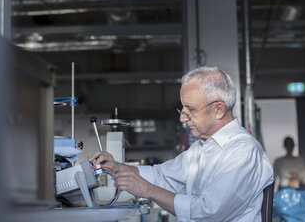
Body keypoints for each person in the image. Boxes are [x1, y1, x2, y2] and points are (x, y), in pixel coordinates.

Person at [89, 66, 274, 221]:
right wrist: (116, 167)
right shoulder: (202, 148)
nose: (182, 118)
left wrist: (148, 191)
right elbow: (162, 175)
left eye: (191, 109)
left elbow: (209, 212)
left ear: (218, 109)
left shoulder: (243, 151)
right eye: (182, 108)